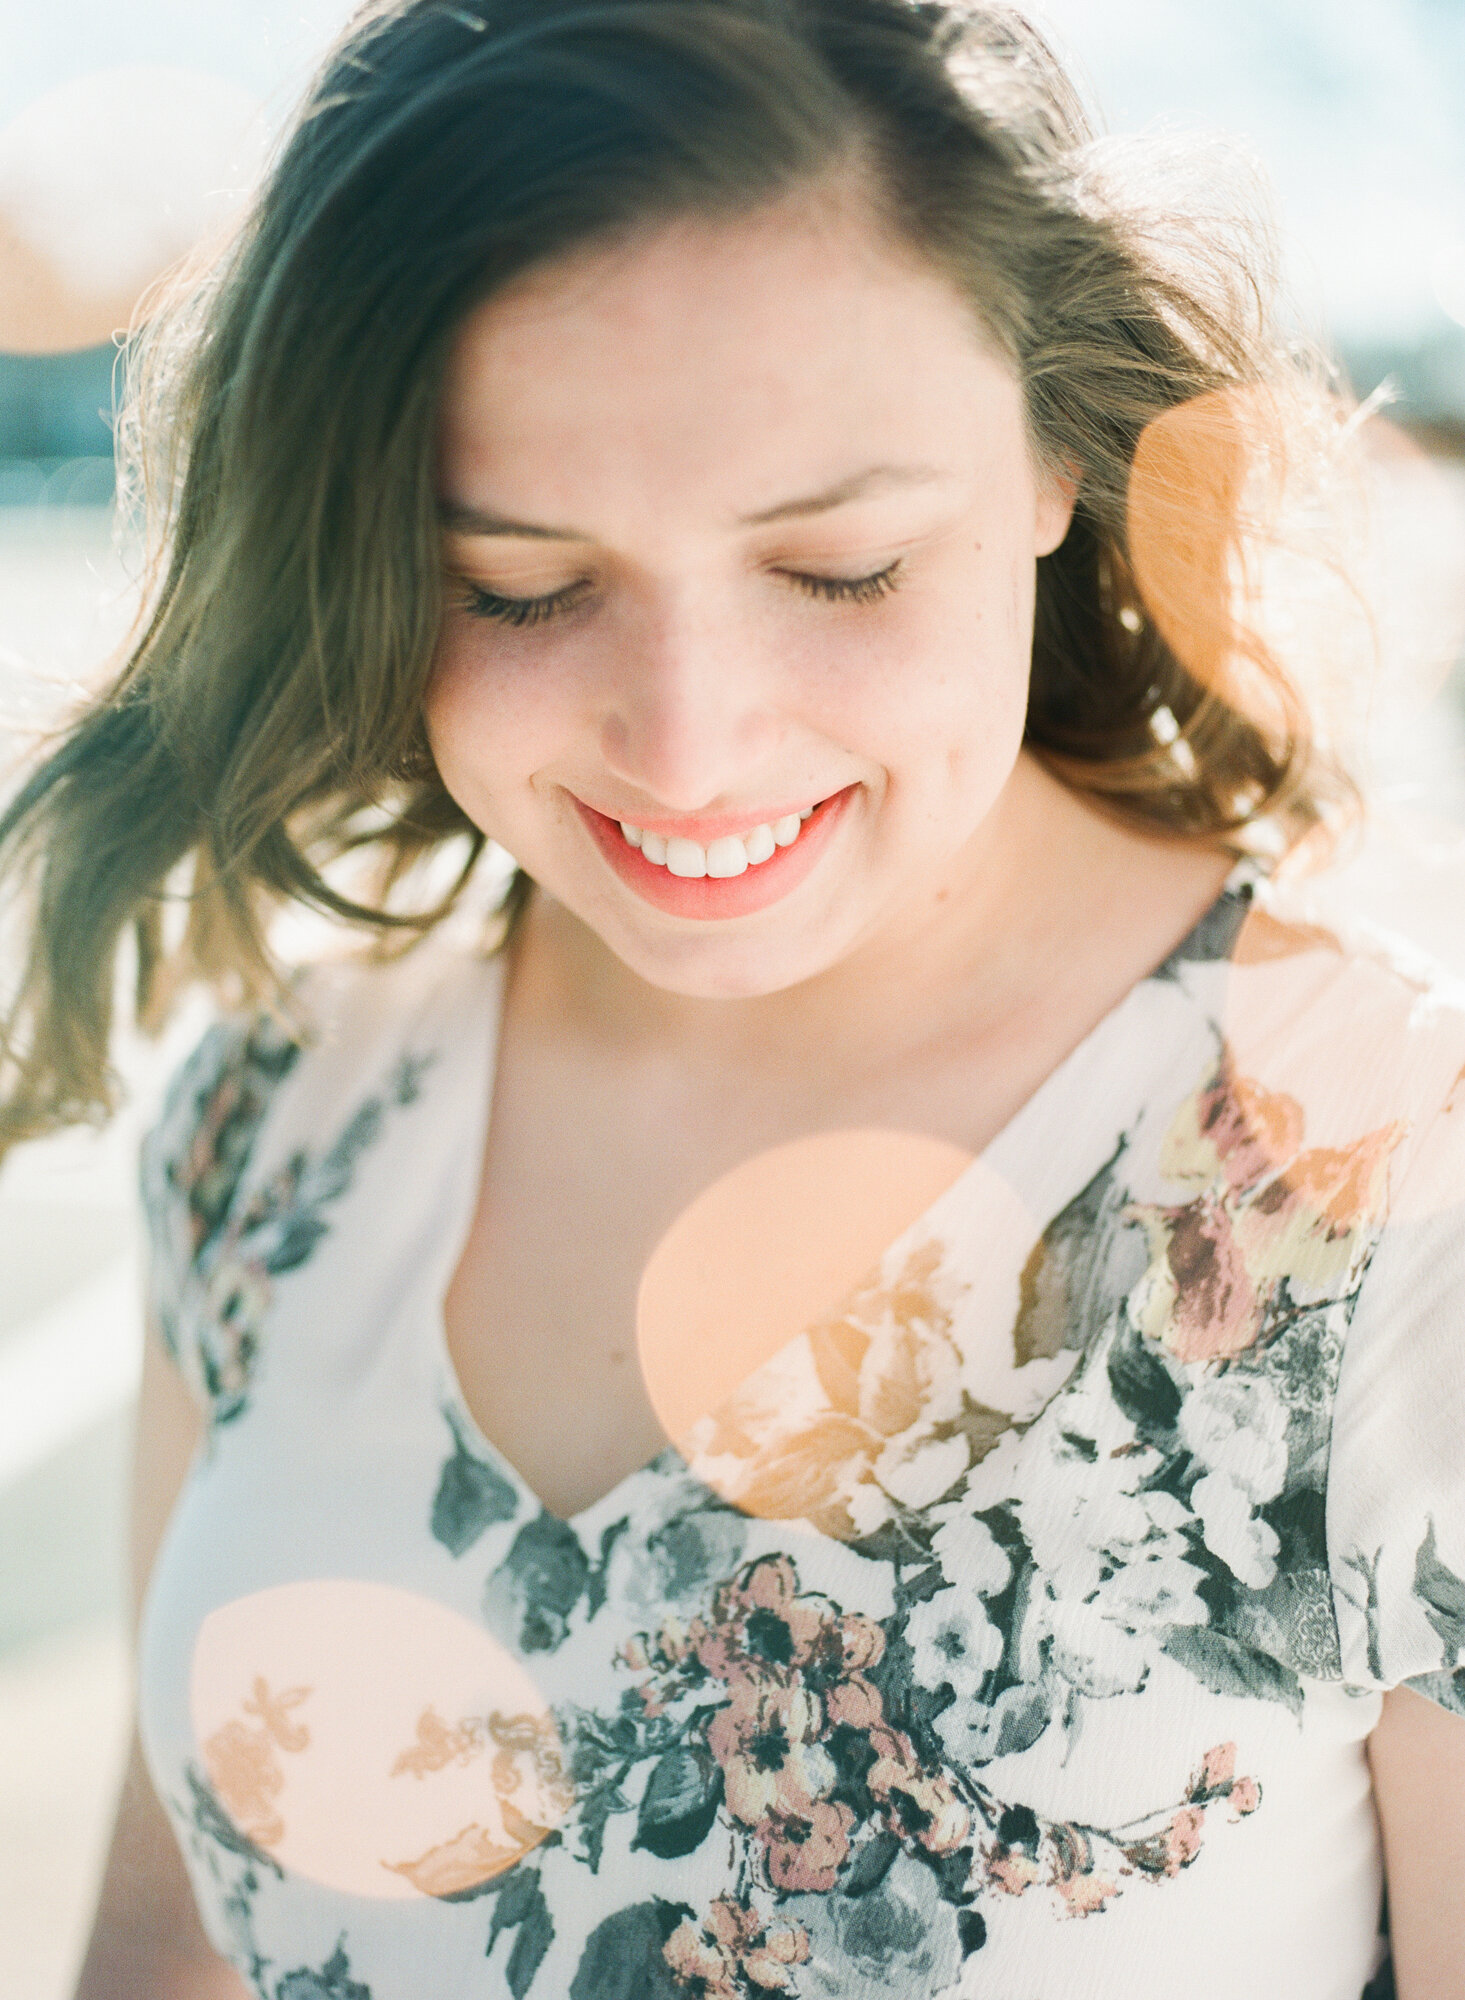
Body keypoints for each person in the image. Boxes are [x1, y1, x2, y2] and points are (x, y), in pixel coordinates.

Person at [0, 0, 1459, 1994]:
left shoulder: (1399, 1194)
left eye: (839, 568)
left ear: (1053, 459)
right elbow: (162, 1952)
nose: (685, 750)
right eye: (518, 585)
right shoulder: (272, 1125)